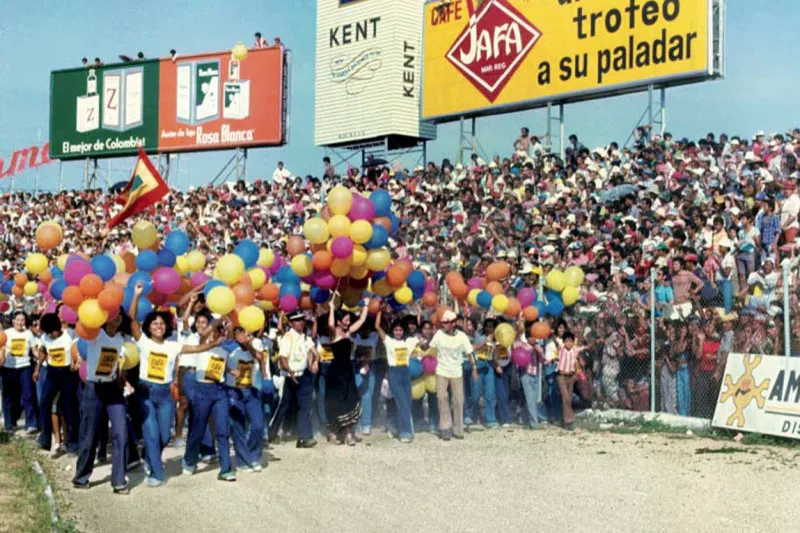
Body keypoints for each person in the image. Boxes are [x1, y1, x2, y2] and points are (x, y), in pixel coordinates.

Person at [129, 283, 221, 487]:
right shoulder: (143, 342)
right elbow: (132, 319)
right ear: (149, 327)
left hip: (164, 395)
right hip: (146, 392)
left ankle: (149, 457)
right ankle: (155, 473)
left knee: (163, 435)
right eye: (155, 324)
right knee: (151, 433)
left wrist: (212, 345)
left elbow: (196, 348)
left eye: (162, 324)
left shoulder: (173, 346)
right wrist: (136, 295)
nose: (159, 327)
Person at [72, 312, 130, 494]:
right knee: (89, 434)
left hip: (112, 388)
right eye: (114, 315)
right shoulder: (96, 335)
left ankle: (119, 481)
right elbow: (84, 322)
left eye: (120, 315)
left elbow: (119, 363)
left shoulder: (121, 339)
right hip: (93, 389)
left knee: (121, 433)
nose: (117, 318)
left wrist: (122, 378)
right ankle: (81, 477)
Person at [180, 318, 235, 482]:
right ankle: (189, 460)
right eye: (216, 330)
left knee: (223, 430)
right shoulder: (202, 344)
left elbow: (232, 343)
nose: (218, 333)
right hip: (202, 390)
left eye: (221, 330)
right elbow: (204, 333)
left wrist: (232, 370)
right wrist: (219, 319)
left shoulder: (225, 348)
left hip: (219, 391)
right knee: (198, 429)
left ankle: (226, 469)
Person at [325, 302, 370, 446]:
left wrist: (366, 306)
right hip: (336, 371)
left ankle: (348, 433)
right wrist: (332, 307)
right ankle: (333, 432)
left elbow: (362, 320)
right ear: (339, 321)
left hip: (348, 370)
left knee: (350, 399)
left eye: (349, 320)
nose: (348, 322)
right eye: (345, 320)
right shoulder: (333, 333)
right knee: (336, 401)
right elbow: (331, 324)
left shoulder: (348, 333)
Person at [34, 312, 79, 455]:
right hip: (52, 373)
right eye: (49, 333)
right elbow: (43, 353)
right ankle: (46, 436)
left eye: (53, 332)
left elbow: (75, 351)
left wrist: (75, 363)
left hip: (67, 373)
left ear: (58, 328)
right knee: (44, 402)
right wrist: (37, 369)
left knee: (68, 408)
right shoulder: (44, 337)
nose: (52, 335)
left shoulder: (69, 335)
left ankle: (72, 442)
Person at [274, 312, 318, 448]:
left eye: (302, 320)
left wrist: (315, 361)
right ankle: (271, 433)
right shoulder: (288, 337)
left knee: (305, 406)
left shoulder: (304, 337)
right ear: (291, 323)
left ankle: (304, 438)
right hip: (290, 376)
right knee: (284, 405)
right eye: (297, 320)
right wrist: (290, 373)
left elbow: (315, 352)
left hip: (303, 375)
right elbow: (282, 357)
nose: (301, 323)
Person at [226, 327, 266, 471]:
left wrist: (248, 344)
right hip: (234, 392)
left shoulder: (253, 347)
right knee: (239, 427)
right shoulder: (229, 347)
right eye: (241, 334)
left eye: (248, 334)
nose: (245, 336)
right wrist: (230, 371)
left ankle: (253, 455)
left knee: (258, 425)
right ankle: (243, 461)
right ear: (235, 335)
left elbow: (259, 357)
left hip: (251, 390)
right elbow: (219, 363)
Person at [375, 307, 417, 443]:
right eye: (396, 330)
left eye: (400, 330)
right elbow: (377, 327)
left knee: (407, 402)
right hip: (394, 374)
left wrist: (419, 314)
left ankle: (393, 427)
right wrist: (379, 311)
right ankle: (405, 432)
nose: (398, 332)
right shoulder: (389, 342)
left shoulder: (408, 341)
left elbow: (418, 330)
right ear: (392, 331)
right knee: (401, 403)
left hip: (405, 373)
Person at [429, 310, 472, 441]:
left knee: (458, 400)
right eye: (443, 322)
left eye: (447, 322)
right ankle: (445, 428)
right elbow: (431, 349)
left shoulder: (462, 336)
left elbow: (469, 352)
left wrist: (474, 367)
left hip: (456, 371)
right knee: (441, 398)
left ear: (453, 323)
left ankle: (458, 429)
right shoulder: (438, 335)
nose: (445, 325)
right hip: (442, 370)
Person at [1, 311, 38, 433]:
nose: (20, 322)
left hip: (24, 367)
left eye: (22, 320)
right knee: (9, 396)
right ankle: (9, 424)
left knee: (27, 395)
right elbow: (2, 349)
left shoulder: (29, 334)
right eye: (18, 320)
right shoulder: (6, 333)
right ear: (13, 321)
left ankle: (31, 424)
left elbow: (34, 350)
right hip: (8, 368)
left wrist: (41, 356)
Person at [556, 332, 586, 430]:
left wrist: (594, 343)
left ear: (573, 342)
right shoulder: (561, 349)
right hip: (561, 376)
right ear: (564, 342)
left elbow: (585, 348)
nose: (568, 343)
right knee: (565, 397)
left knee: (568, 398)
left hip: (571, 377)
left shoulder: (575, 350)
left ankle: (564, 421)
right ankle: (570, 420)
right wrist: (551, 335)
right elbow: (555, 341)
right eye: (566, 341)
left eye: (570, 341)